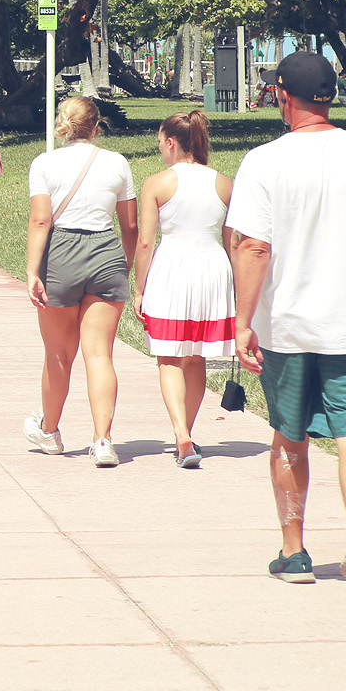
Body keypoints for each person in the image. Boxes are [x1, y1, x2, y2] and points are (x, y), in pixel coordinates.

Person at [224, 51, 346, 596]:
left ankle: (294, 551)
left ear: (283, 97)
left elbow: (253, 247)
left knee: (289, 436)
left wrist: (242, 322)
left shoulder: (264, 162)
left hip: (286, 326)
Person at [23, 96, 138, 467]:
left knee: (58, 354)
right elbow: (130, 226)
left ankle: (50, 432)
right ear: (96, 124)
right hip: (106, 251)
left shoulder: (45, 163)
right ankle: (103, 440)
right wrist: (125, 264)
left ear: (62, 123)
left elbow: (41, 221)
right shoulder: (117, 162)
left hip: (61, 254)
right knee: (99, 353)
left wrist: (32, 271)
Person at [133, 111, 234, 468]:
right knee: (196, 356)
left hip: (173, 266)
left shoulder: (157, 183)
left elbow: (146, 242)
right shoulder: (224, 183)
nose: (161, 149)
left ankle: (180, 434)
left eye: (161, 143)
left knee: (169, 355)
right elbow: (232, 241)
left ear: (171, 142)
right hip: (213, 267)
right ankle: (187, 434)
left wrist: (139, 289)